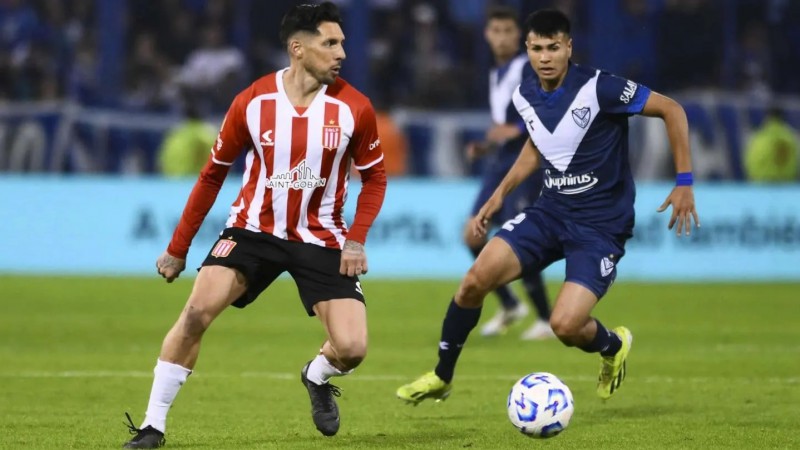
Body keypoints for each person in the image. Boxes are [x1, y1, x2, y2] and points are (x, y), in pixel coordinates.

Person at [396, 9, 699, 405]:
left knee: (566, 325)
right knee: (473, 281)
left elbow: (672, 109)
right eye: (537, 48)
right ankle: (441, 376)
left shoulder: (600, 87)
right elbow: (539, 144)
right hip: (550, 213)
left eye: (553, 47)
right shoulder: (525, 93)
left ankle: (612, 346)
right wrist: (501, 192)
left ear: (568, 47)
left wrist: (684, 182)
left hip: (599, 226)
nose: (545, 57)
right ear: (528, 48)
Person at [122, 3, 387, 447]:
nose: (342, 52)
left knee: (353, 349)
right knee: (194, 314)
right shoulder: (253, 101)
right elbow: (212, 174)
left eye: (342, 42)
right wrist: (178, 247)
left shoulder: (354, 109)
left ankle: (316, 375)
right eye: (331, 43)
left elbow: (375, 177)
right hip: (252, 231)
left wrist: (356, 240)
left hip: (321, 237)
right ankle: (153, 426)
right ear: (297, 48)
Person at [464, 6, 554, 340]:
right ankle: (511, 304)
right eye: (495, 31)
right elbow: (505, 124)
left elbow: (543, 108)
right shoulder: (496, 73)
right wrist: (487, 145)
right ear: (487, 34)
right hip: (500, 160)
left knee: (521, 240)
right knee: (473, 234)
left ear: (518, 36)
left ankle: (545, 318)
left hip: (525, 162)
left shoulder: (525, 68)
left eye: (507, 31)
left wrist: (513, 130)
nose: (501, 37)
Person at [157, 100, 217, 177]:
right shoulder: (207, 133)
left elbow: (162, 159)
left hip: (171, 178)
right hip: (194, 180)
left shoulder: (175, 133)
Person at [743, 106, 799, 182]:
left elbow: (749, 162)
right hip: (786, 183)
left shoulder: (758, 137)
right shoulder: (791, 138)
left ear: (767, 118)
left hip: (762, 183)